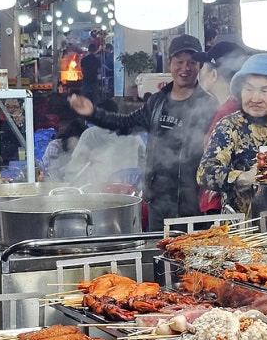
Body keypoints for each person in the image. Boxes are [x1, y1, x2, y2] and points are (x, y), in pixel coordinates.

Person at [69, 34, 217, 231]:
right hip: (157, 202)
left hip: (192, 205)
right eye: (179, 61)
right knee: (157, 256)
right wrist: (93, 113)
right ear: (169, 64)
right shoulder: (157, 102)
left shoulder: (209, 104)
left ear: (199, 66)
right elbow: (125, 124)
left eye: (191, 63)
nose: (185, 68)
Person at [198, 54, 267, 214]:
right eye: (249, 89)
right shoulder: (230, 126)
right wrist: (244, 177)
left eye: (265, 90)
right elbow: (205, 173)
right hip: (240, 228)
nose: (255, 98)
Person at [192, 42, 251, 213]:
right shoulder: (229, 107)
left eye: (203, 66)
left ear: (213, 74)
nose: (200, 71)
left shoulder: (229, 112)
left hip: (221, 206)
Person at [64, 101, 146, 185]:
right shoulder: (133, 134)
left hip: (100, 189)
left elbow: (75, 164)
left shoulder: (90, 134)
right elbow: (144, 158)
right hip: (129, 187)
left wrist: (68, 182)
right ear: (117, 114)